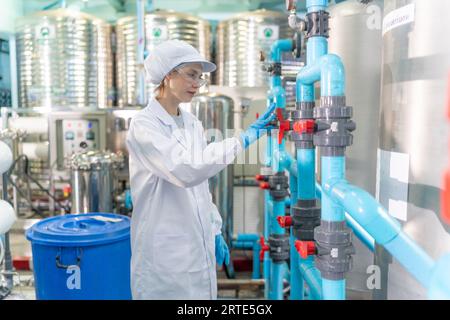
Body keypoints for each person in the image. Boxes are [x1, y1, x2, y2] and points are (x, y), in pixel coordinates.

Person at [126, 39, 276, 300]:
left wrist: (214, 228)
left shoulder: (191, 123)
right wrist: (242, 140)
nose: (197, 83)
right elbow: (186, 170)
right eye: (191, 75)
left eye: (200, 77)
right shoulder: (144, 125)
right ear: (168, 74)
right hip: (164, 253)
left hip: (196, 245)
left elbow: (200, 187)